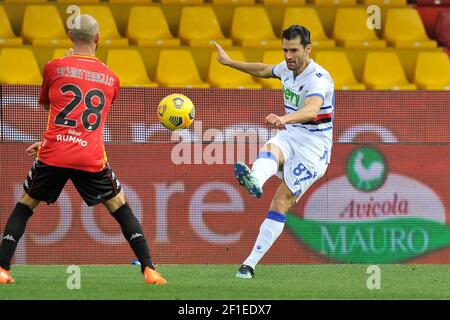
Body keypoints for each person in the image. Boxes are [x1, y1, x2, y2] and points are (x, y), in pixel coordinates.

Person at [0, 14, 166, 285]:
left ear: (69, 37)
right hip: (89, 156)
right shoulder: (112, 78)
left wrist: (49, 143)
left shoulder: (54, 67)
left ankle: (2, 269)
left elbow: (51, 107)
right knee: (120, 207)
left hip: (55, 154)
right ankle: (149, 270)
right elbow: (87, 122)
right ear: (98, 39)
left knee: (25, 205)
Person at [213, 25, 334, 279]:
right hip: (291, 134)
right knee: (270, 148)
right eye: (284, 50)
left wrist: (285, 118)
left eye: (294, 50)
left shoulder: (318, 78)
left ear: (308, 49)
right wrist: (229, 62)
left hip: (314, 148)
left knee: (281, 201)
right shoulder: (286, 69)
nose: (288, 56)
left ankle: (249, 264)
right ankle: (255, 180)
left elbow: (312, 110)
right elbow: (263, 69)